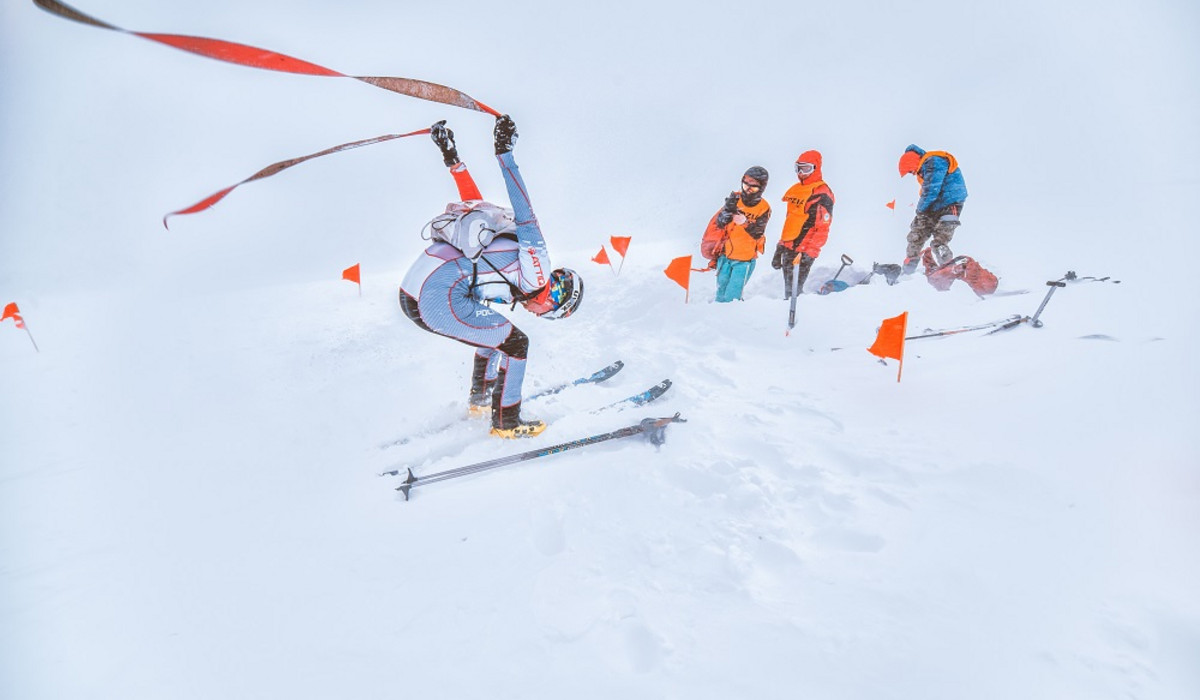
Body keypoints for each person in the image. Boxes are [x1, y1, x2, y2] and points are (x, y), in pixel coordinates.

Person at [399, 116, 583, 439]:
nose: (544, 306)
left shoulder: (513, 271)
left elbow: (473, 204)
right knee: (517, 343)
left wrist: (452, 159)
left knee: (497, 333)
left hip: (415, 290)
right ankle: (506, 422)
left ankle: (481, 401)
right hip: (432, 295)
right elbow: (527, 215)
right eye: (556, 300)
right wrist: (505, 154)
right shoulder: (536, 271)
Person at [700, 167, 771, 302]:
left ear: (761, 187)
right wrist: (725, 216)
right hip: (725, 257)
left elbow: (758, 233)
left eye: (753, 187)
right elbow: (718, 224)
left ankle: (734, 314)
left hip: (743, 260)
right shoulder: (735, 199)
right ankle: (717, 314)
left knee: (732, 297)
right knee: (720, 293)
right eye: (746, 185)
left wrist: (745, 223)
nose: (748, 189)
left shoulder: (763, 208)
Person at [771, 150, 834, 298]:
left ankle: (801, 311)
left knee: (794, 292)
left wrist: (810, 253)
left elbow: (822, 228)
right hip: (788, 247)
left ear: (815, 168)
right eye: (798, 168)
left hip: (803, 250)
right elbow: (791, 221)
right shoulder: (796, 190)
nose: (801, 173)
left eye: (806, 168)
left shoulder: (822, 192)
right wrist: (780, 246)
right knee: (789, 289)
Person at [897, 144, 968, 274]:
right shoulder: (926, 167)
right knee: (916, 233)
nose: (913, 174)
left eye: (911, 171)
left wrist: (920, 210)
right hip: (934, 205)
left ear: (913, 163)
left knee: (940, 240)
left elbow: (931, 190)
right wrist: (921, 214)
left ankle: (949, 271)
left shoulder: (934, 161)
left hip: (950, 203)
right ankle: (907, 271)